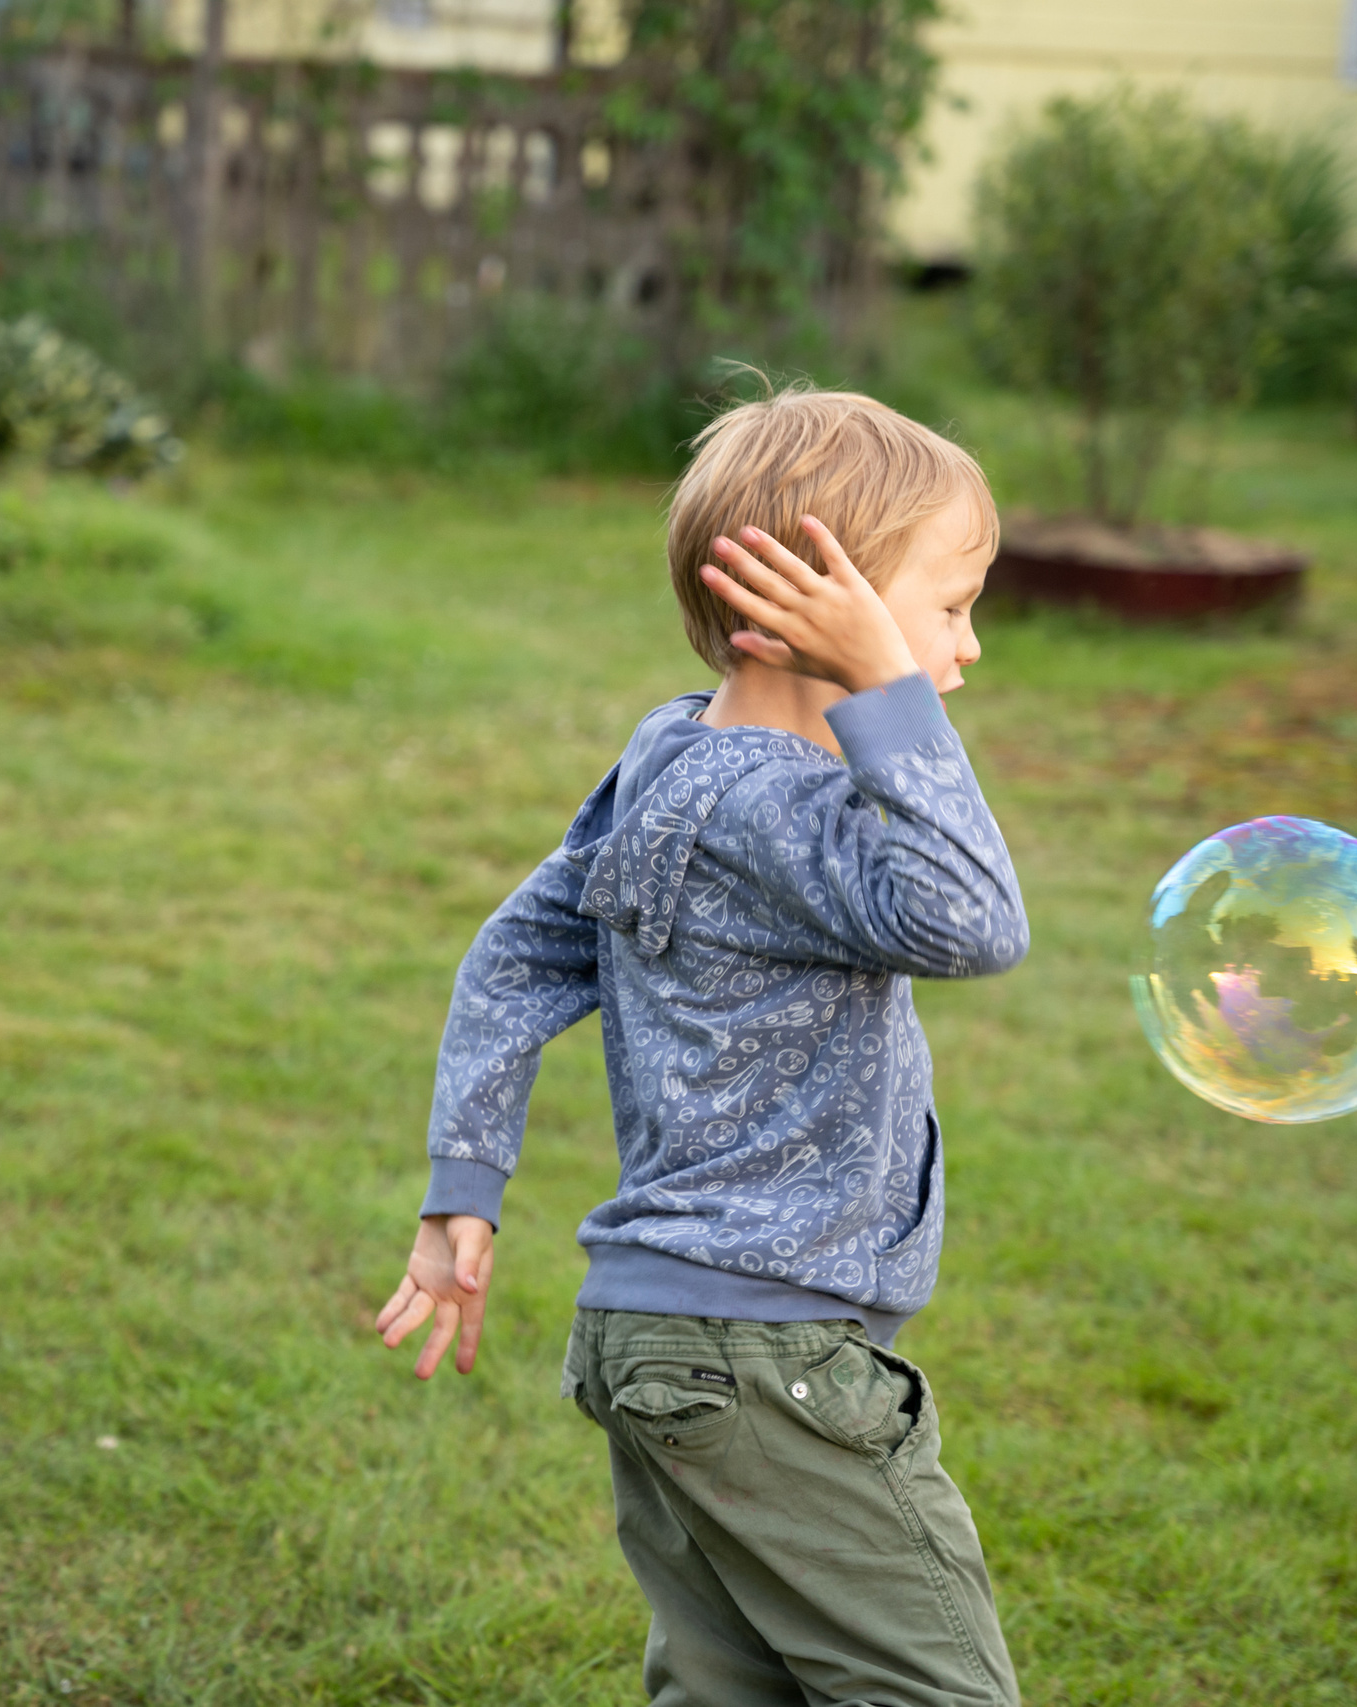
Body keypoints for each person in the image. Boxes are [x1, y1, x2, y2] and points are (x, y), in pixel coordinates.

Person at [375, 385, 1030, 1707]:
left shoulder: (672, 757)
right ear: (816, 603)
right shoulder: (793, 814)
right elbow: (975, 924)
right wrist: (889, 694)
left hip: (655, 1336)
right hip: (770, 1357)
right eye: (949, 607)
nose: (965, 650)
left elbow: (515, 955)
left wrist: (464, 1183)